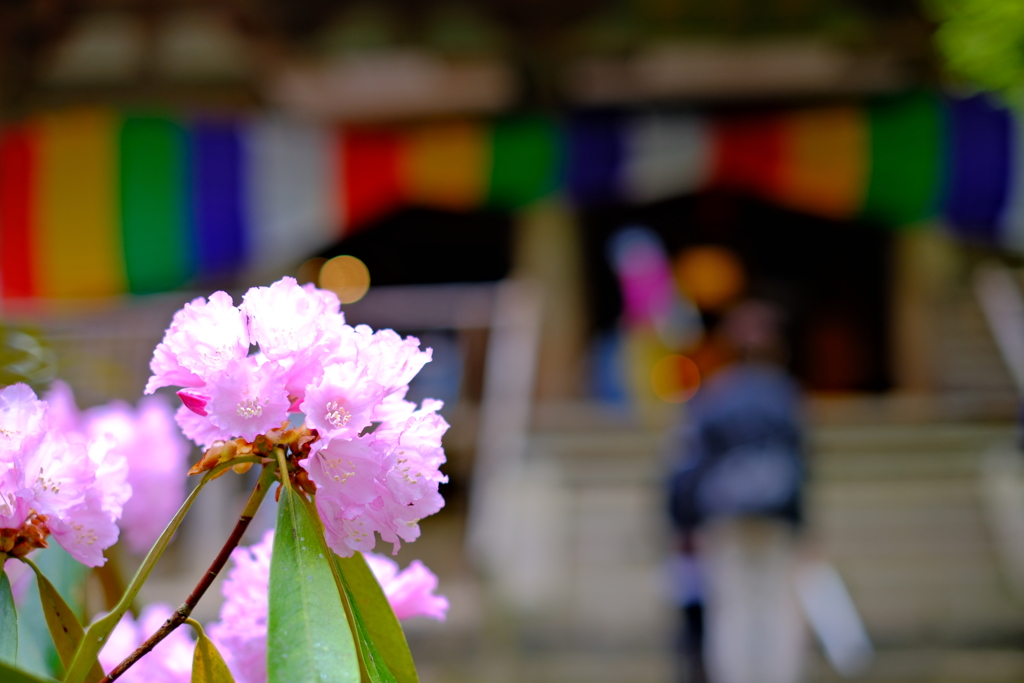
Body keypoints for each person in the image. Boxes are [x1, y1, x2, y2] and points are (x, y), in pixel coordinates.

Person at [668, 300, 806, 683]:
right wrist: (803, 524)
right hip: (776, 515)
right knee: (776, 605)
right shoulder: (786, 396)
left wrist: (684, 520)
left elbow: (692, 464)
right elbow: (799, 465)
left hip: (725, 516)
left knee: (732, 608)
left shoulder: (715, 395)